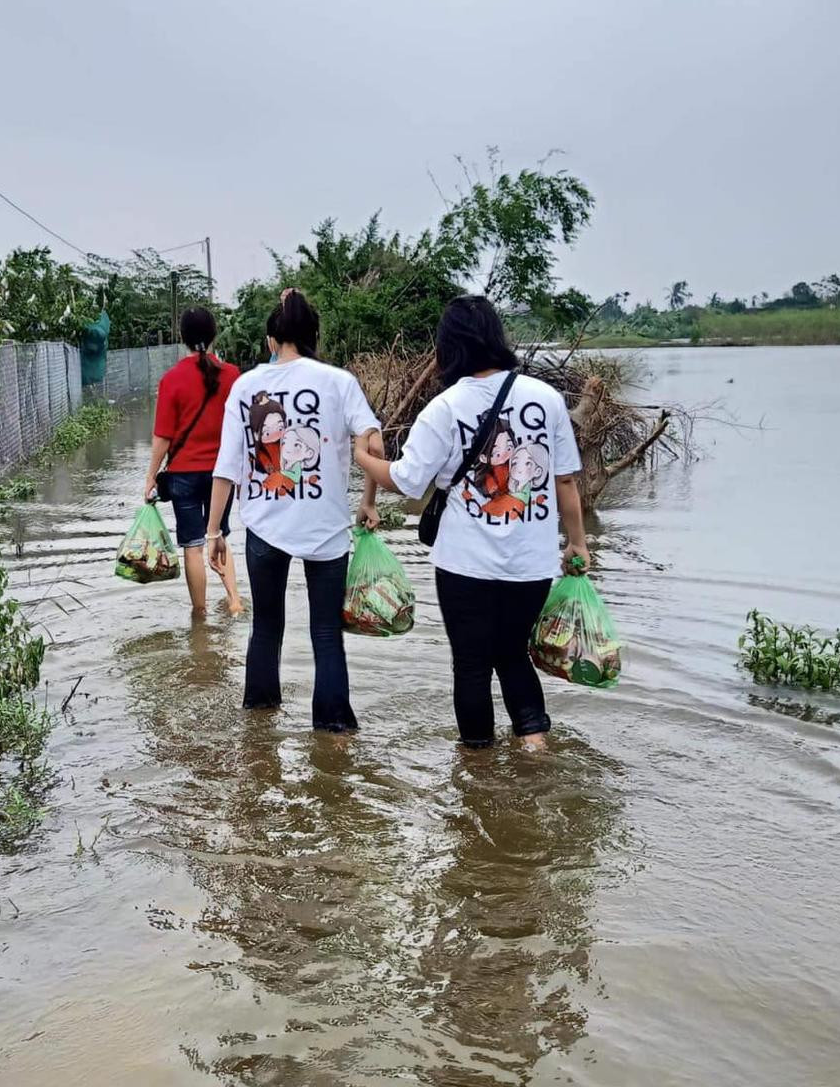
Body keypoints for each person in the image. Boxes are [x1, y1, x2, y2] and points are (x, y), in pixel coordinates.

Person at [354, 296, 588, 752]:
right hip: (532, 563)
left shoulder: (444, 407)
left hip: (465, 565)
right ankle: (535, 750)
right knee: (513, 655)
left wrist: (362, 457)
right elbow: (564, 481)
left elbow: (405, 480)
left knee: (472, 666)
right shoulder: (547, 398)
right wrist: (576, 542)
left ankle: (478, 776)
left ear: (449, 347)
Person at [207, 289, 382, 732]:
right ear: (313, 335)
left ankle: (259, 727)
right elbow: (374, 443)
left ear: (270, 340)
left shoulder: (245, 386)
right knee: (326, 635)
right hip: (326, 529)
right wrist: (367, 502)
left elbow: (226, 467)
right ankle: (334, 732)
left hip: (265, 528)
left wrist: (214, 531)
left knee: (265, 628)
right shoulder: (339, 382)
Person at [144, 307, 243, 616]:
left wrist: (150, 477)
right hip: (222, 475)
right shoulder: (233, 376)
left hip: (184, 474)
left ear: (182, 338)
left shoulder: (171, 379)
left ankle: (199, 616)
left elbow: (162, 436)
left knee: (193, 545)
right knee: (220, 535)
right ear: (214, 335)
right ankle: (235, 602)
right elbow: (243, 429)